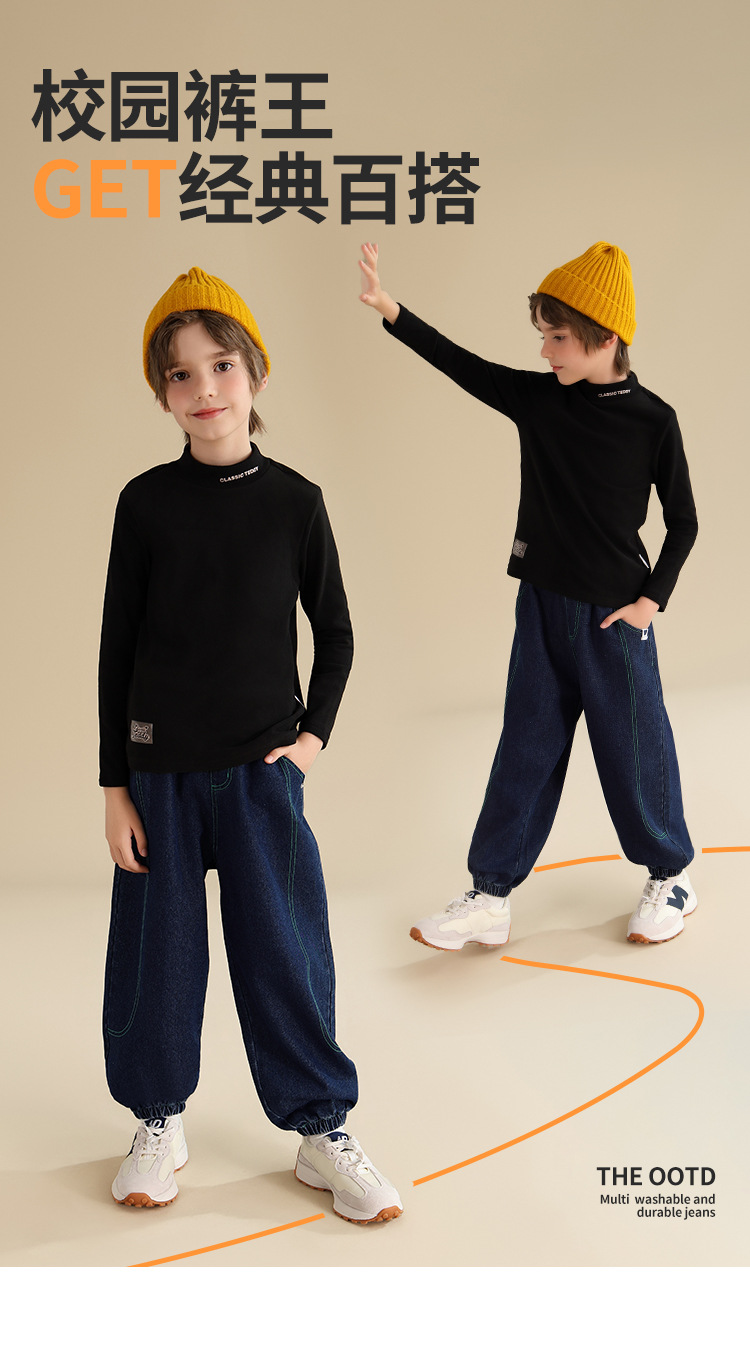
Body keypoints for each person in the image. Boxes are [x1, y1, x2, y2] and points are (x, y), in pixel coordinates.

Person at [99, 266, 402, 1224]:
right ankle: (158, 1120)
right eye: (181, 375)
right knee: (159, 957)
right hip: (159, 775)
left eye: (222, 365)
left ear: (255, 373)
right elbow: (116, 649)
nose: (205, 389)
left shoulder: (296, 501)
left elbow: (337, 633)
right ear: (163, 394)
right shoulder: (145, 503)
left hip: (262, 775)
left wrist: (309, 743)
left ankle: (320, 1130)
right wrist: (114, 787)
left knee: (284, 952)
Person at [358, 240, 698, 951]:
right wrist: (391, 309)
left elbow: (685, 522)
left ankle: (670, 874)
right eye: (542, 335)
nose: (545, 351)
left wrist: (649, 604)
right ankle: (490, 895)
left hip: (613, 619)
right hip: (541, 608)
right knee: (526, 748)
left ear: (607, 337)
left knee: (634, 752)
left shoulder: (653, 420)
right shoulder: (539, 400)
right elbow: (462, 365)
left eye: (558, 337)